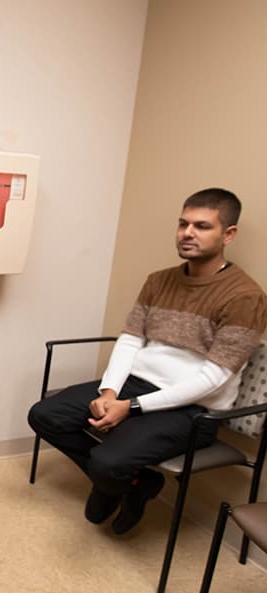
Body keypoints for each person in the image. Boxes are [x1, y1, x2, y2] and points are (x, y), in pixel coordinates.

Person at [28, 188, 267, 534]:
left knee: (106, 461)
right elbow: (130, 340)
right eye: (183, 224)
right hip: (134, 388)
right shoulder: (159, 280)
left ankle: (112, 479)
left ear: (228, 234)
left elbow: (214, 377)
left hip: (194, 410)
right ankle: (136, 483)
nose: (187, 233)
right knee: (45, 415)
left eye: (202, 226)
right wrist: (110, 392)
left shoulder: (245, 297)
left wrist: (132, 407)